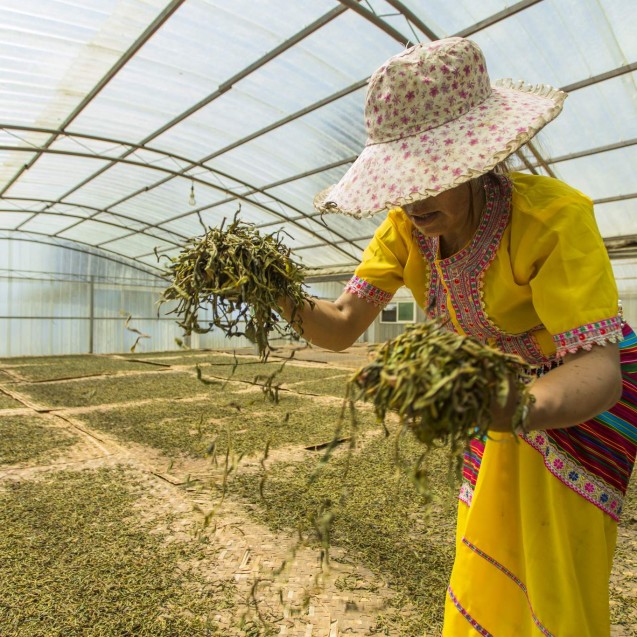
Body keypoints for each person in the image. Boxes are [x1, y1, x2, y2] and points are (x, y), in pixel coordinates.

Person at [279, 37, 637, 636]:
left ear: (473, 163)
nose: (414, 201)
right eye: (400, 180)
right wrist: (273, 291)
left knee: (554, 561)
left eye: (430, 175)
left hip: (582, 398)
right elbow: (340, 327)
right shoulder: (403, 230)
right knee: (485, 541)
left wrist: (516, 407)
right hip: (498, 392)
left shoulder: (551, 218)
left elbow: (598, 373)